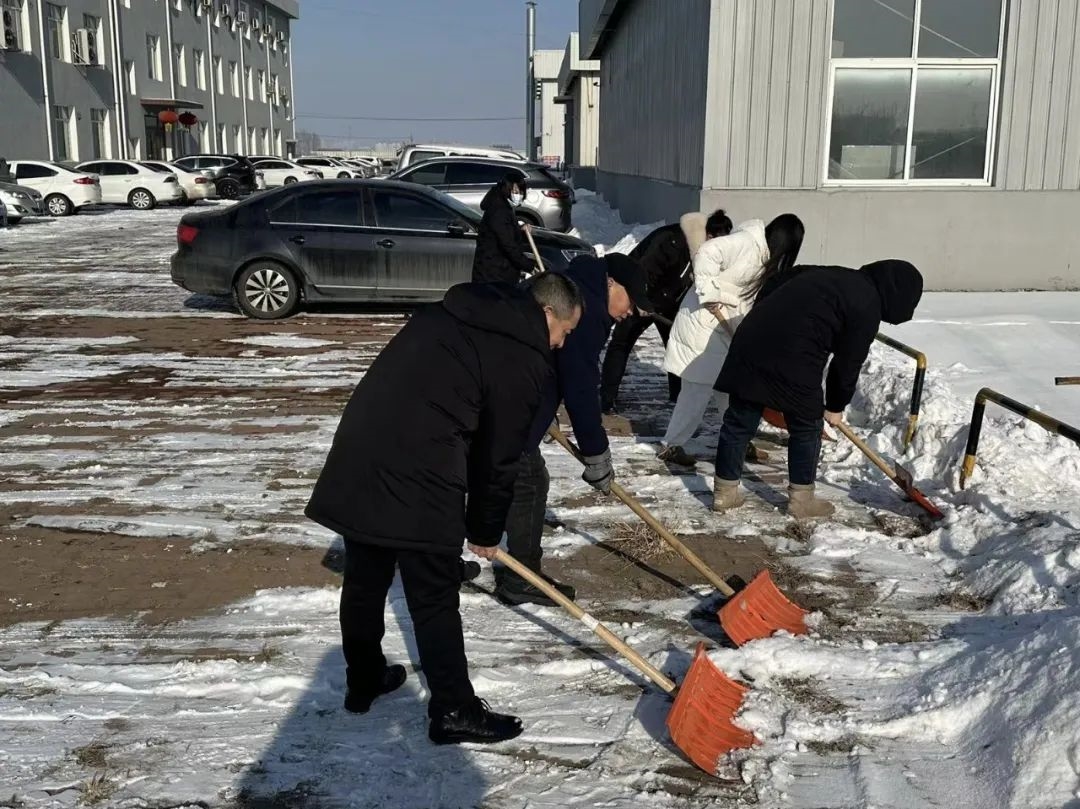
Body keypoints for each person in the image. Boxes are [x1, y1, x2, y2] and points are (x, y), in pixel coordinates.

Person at [305, 275, 583, 745]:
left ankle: (364, 677)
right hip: (420, 467)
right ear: (547, 313)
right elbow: (499, 457)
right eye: (565, 332)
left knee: (366, 577)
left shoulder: (450, 312)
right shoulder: (523, 355)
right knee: (433, 593)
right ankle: (454, 709)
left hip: (361, 447)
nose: (561, 344)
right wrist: (485, 530)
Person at [495, 252, 655, 606]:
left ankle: (504, 567)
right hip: (507, 405)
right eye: (630, 301)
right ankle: (520, 578)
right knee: (529, 482)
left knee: (514, 478)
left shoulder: (575, 284)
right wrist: (596, 453)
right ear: (611, 283)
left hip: (511, 395)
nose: (630, 312)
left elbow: (555, 360)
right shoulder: (587, 309)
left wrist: (544, 407)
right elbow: (580, 387)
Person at [712, 260, 924, 519]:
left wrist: (767, 315)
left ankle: (724, 493)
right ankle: (802, 502)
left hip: (751, 337)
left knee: (740, 421)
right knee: (807, 426)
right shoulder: (867, 304)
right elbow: (847, 363)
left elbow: (779, 279)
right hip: (794, 354)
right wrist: (835, 406)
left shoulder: (837, 275)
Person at [658, 214, 805, 466]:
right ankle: (671, 445)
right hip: (703, 324)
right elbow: (708, 252)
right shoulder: (747, 242)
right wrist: (709, 292)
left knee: (731, 389)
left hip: (723, 329)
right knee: (696, 391)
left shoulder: (761, 254)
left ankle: (739, 441)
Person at [599, 209, 733, 414]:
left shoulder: (703, 252)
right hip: (638, 296)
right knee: (621, 343)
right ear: (709, 235)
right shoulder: (672, 241)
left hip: (668, 300)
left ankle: (678, 397)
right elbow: (642, 272)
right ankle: (607, 398)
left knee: (676, 344)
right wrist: (642, 302)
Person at [471, 173, 537, 284]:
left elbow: (504, 229)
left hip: (494, 271)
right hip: (494, 274)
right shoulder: (499, 209)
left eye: (520, 192)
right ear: (507, 188)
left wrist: (519, 228)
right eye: (515, 191)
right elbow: (508, 244)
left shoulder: (501, 205)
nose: (518, 195)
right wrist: (528, 265)